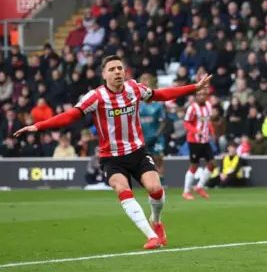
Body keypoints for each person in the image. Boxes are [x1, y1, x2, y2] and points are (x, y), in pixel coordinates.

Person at [14, 55, 212, 249]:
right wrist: (39, 126)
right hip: (112, 157)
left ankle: (157, 221)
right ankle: (151, 236)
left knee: (156, 189)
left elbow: (160, 94)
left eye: (119, 68)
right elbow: (70, 116)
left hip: (137, 152)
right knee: (122, 188)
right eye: (112, 69)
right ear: (104, 75)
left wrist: (193, 88)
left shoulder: (134, 88)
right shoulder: (96, 96)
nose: (117, 72)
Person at [182, 88, 215, 200]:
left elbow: (208, 121)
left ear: (207, 96)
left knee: (212, 164)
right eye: (200, 94)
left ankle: (199, 187)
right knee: (194, 165)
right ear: (196, 96)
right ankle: (186, 191)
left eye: (204, 95)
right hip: (194, 141)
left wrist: (212, 131)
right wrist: (197, 131)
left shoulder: (209, 106)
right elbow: (186, 124)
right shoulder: (192, 108)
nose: (202, 96)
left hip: (205, 140)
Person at [138, 74, 167, 186]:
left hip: (156, 137)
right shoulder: (138, 105)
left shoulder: (158, 106)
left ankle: (162, 183)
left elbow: (163, 122)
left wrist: (157, 134)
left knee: (158, 159)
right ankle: (150, 183)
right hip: (143, 137)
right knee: (145, 161)